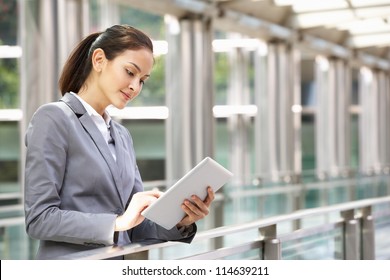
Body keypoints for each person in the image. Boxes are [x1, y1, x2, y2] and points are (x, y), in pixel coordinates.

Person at [24, 24, 215, 260]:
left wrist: (181, 220)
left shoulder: (122, 135)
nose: (135, 87)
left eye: (142, 80)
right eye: (130, 72)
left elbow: (135, 226)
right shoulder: (54, 118)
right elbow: (39, 219)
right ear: (99, 60)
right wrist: (116, 222)